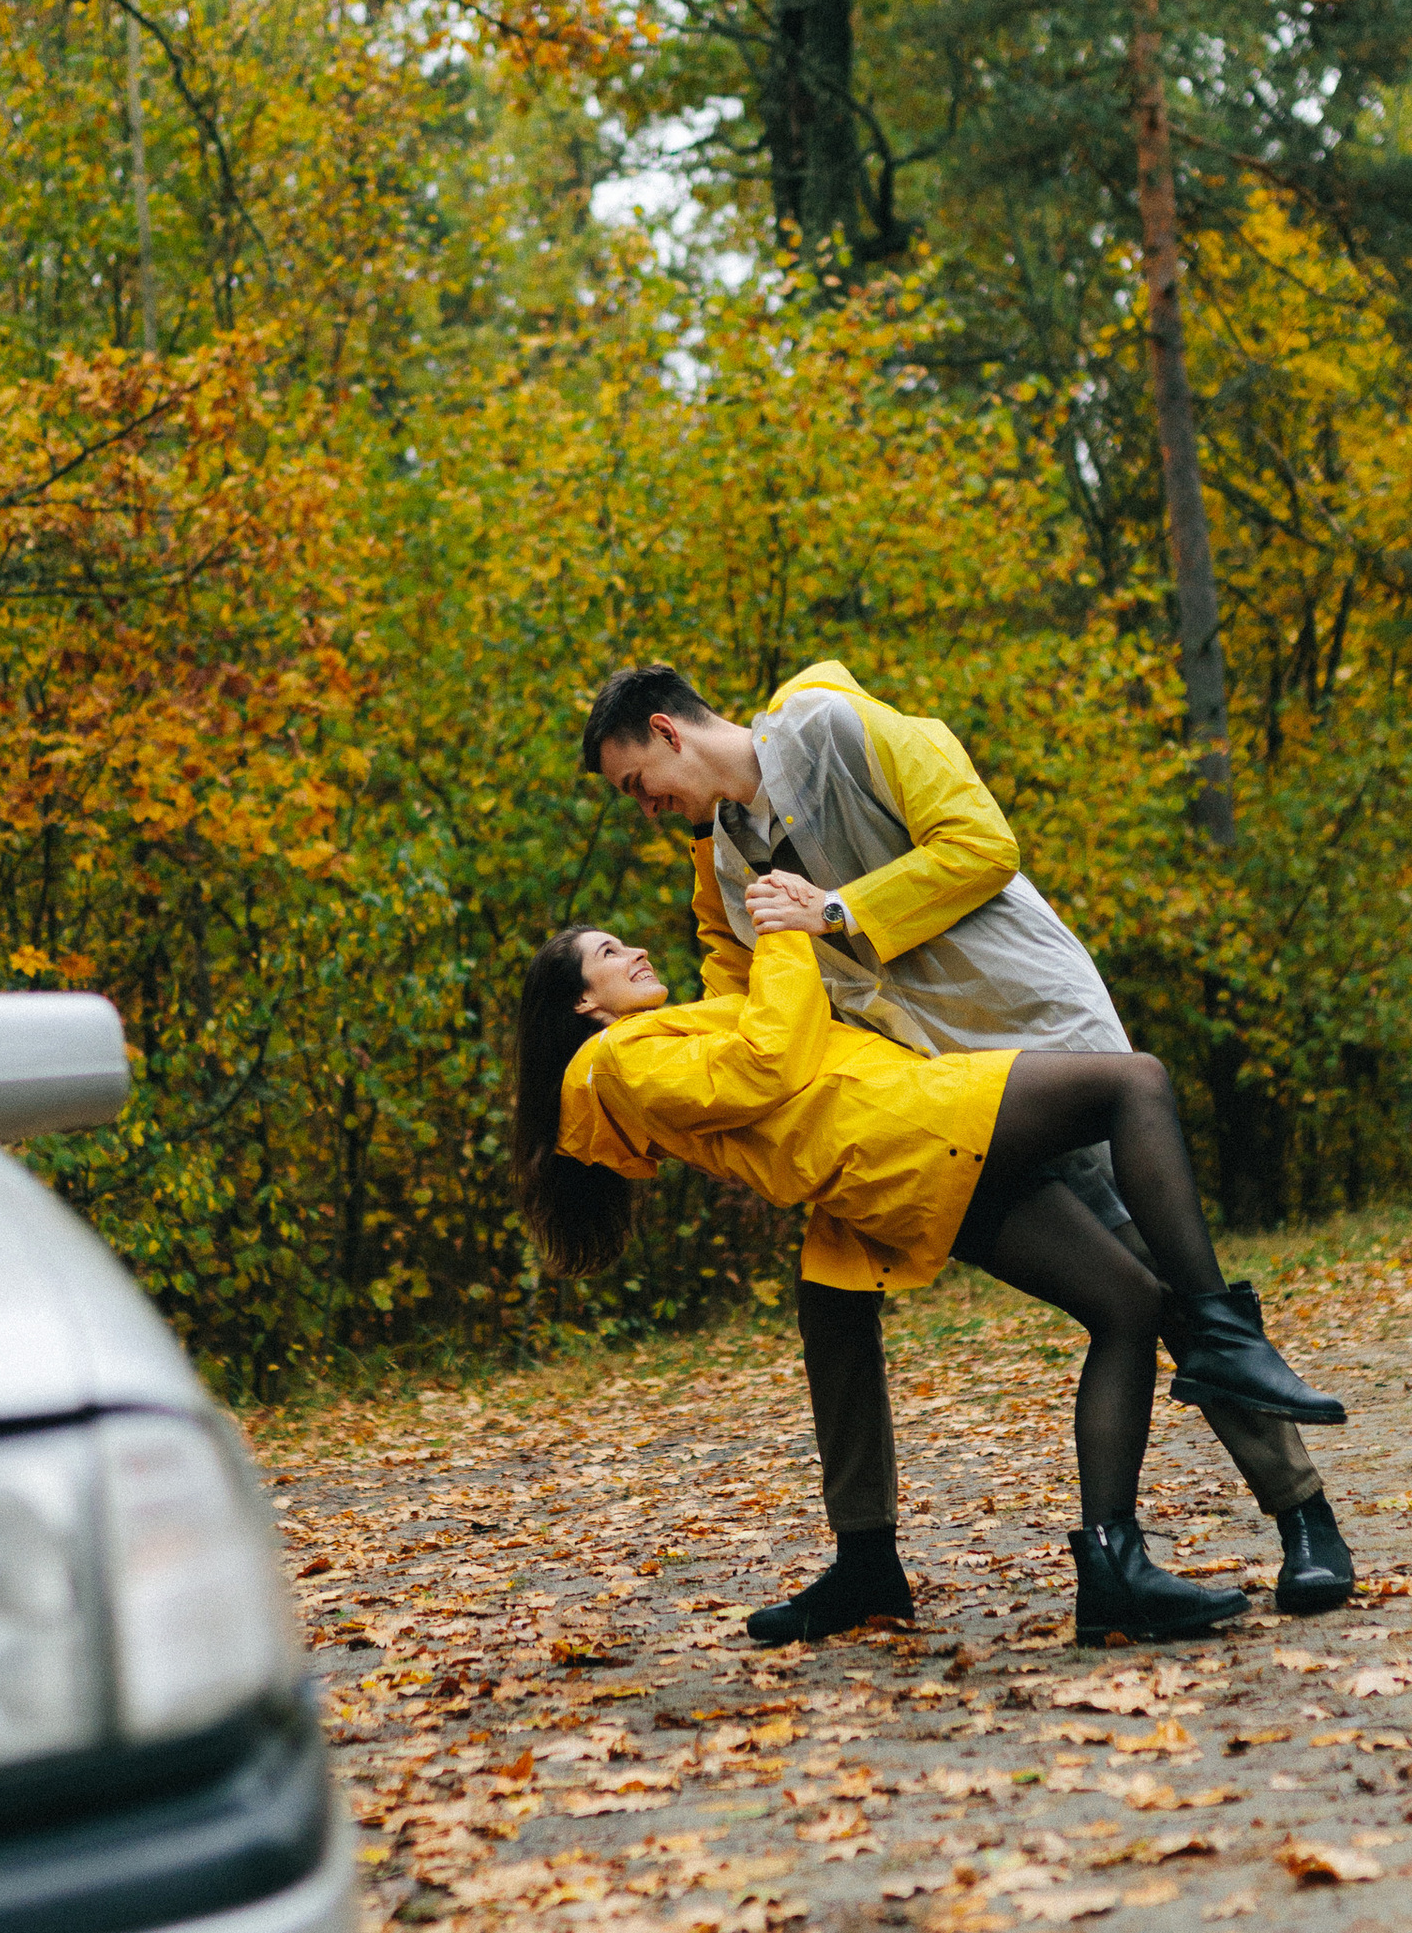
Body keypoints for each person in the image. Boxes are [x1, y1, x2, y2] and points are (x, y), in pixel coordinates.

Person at [580, 654, 1359, 1643]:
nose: (640, 804)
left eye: (633, 781)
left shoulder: (837, 730)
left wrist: (835, 911)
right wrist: (643, 1060)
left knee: (1162, 1282)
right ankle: (866, 1559)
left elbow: (980, 844)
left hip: (1034, 1033)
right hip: (924, 1088)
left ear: (666, 731)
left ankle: (1304, 1519)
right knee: (835, 1302)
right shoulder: (724, 860)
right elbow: (743, 1003)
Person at [511, 918, 1346, 1646]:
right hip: (909, 1125)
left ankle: (1110, 1570)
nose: (636, 952)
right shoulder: (619, 1061)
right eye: (611, 953)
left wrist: (714, 849)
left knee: (1126, 1303)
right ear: (584, 1004)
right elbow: (767, 1060)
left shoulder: (656, 1041)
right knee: (1136, 1081)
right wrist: (793, 926)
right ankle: (1222, 1333)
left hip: (899, 1143)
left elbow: (737, 985)